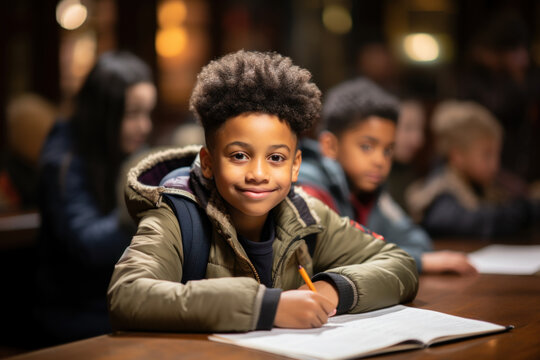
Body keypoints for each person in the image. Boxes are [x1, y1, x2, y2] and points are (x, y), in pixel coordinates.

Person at [107, 50, 418, 333]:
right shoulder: (177, 215)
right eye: (239, 155)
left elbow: (399, 263)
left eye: (276, 158)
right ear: (209, 162)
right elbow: (126, 294)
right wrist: (267, 307)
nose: (258, 174)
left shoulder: (305, 214)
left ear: (296, 166)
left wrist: (332, 288)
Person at [36, 50, 156, 344]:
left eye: (148, 113)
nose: (145, 126)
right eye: (132, 114)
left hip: (119, 304)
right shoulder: (62, 162)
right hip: (76, 315)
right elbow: (89, 246)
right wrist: (138, 206)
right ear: (103, 113)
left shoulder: (123, 152)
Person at [297, 78, 476, 275]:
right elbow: (335, 258)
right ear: (330, 145)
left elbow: (417, 240)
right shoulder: (309, 188)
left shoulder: (372, 189)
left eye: (388, 150)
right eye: (367, 146)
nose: (380, 161)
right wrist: (419, 262)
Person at [406, 100, 540, 238]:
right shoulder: (439, 194)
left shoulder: (484, 187)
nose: (495, 164)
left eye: (497, 154)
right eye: (487, 155)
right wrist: (525, 211)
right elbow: (470, 223)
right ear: (458, 156)